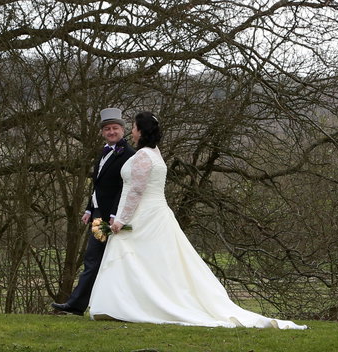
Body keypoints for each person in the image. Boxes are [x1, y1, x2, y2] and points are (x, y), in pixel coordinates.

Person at [89, 112, 308, 330]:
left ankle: (131, 305)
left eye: (135, 127)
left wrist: (121, 220)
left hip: (144, 215)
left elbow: (136, 191)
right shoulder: (155, 153)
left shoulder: (143, 156)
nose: (132, 131)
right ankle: (128, 304)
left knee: (136, 257)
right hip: (153, 213)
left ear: (141, 131)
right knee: (149, 260)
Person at [51, 107, 136, 316]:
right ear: (102, 132)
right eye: (107, 129)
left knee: (104, 260)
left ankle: (81, 305)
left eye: (115, 128)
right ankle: (77, 305)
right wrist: (90, 208)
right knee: (93, 259)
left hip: (112, 217)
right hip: (98, 213)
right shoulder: (104, 151)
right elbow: (98, 185)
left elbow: (124, 188)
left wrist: (114, 215)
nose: (111, 132)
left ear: (123, 129)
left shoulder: (129, 154)